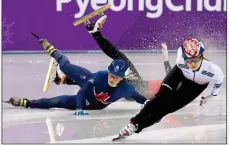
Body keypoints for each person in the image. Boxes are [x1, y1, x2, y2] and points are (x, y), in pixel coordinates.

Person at [115, 38, 224, 139]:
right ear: (184, 58)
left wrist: (210, 97)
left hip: (196, 86)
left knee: (164, 110)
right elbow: (170, 73)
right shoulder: (181, 60)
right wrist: (166, 57)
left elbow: (217, 85)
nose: (193, 63)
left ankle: (137, 128)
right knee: (158, 99)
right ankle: (133, 124)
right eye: (189, 60)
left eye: (195, 59)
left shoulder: (214, 71)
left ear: (201, 56)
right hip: (180, 74)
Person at [5, 39, 149, 115]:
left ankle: (59, 82)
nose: (111, 79)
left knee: (55, 102)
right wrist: (79, 108)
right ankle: (54, 52)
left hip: (93, 106)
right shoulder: (100, 76)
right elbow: (82, 92)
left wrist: (149, 104)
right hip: (87, 88)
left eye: (116, 77)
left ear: (122, 79)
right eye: (111, 75)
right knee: (65, 67)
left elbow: (139, 98)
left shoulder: (128, 89)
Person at [53, 14, 171, 99]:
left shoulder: (181, 87)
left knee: (119, 58)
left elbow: (171, 79)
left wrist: (166, 59)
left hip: (139, 87)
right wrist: (165, 59)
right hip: (137, 89)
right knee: (103, 78)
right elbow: (171, 75)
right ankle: (64, 80)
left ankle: (95, 32)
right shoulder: (182, 82)